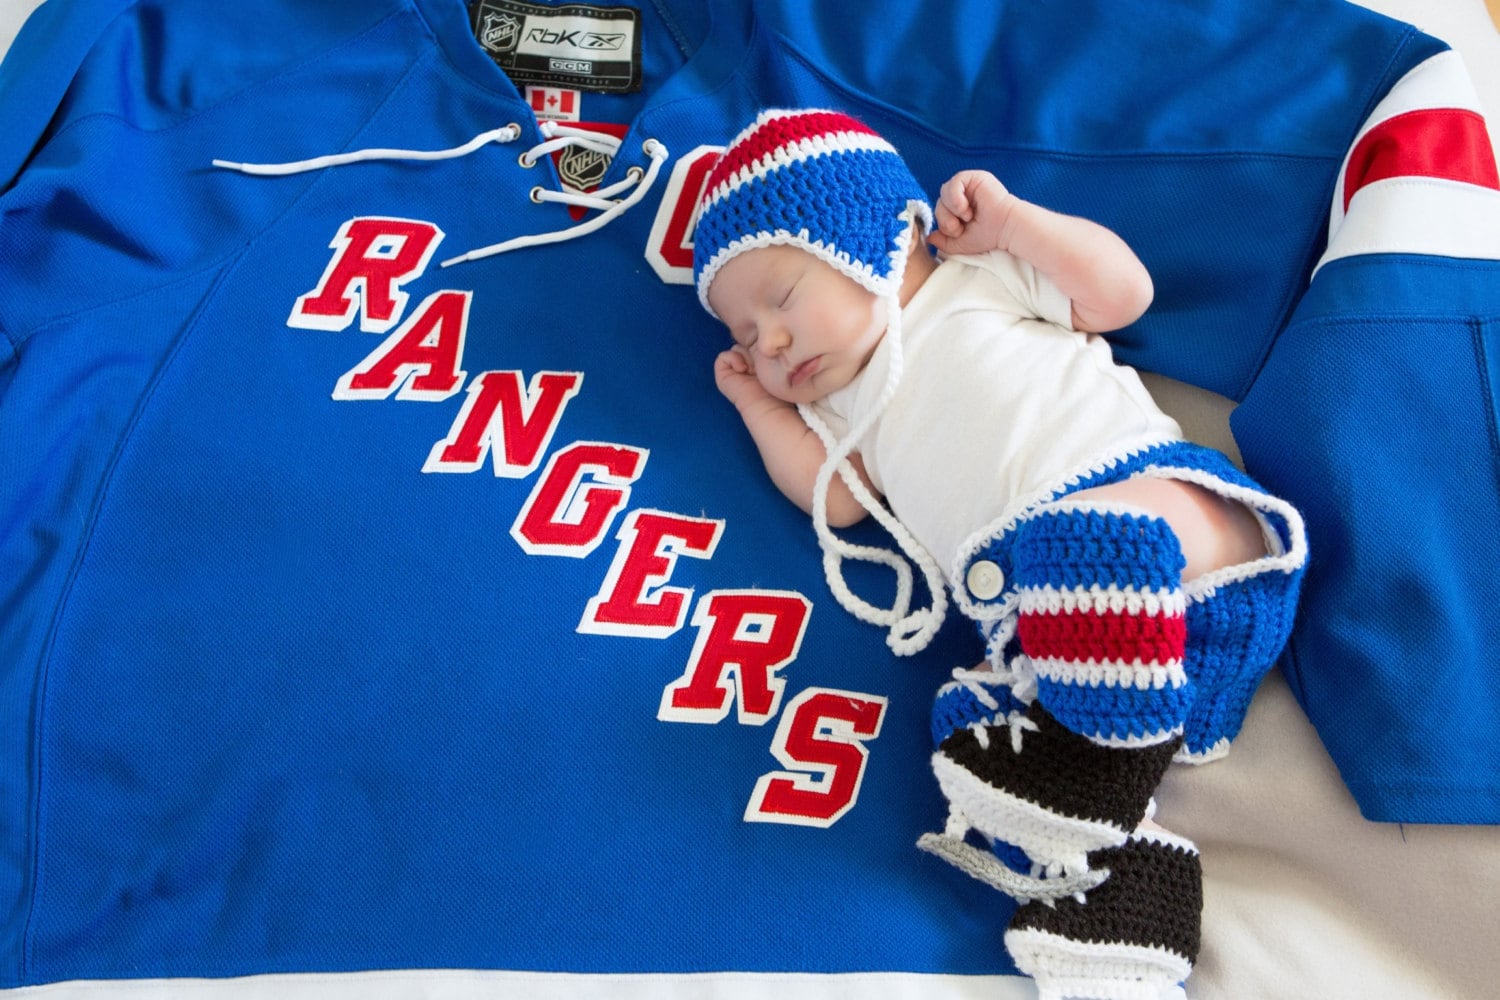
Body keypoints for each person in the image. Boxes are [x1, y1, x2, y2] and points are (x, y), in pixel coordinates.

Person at [694, 108, 1308, 1000]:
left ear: (874, 236)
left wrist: (1017, 224)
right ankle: (1122, 902)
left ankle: (1091, 777)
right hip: (1086, 658)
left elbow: (1119, 293)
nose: (771, 343)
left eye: (781, 300)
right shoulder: (839, 412)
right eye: (745, 335)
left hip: (1184, 534)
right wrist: (762, 409)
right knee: (970, 737)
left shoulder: (976, 279)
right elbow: (835, 498)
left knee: (1095, 541)